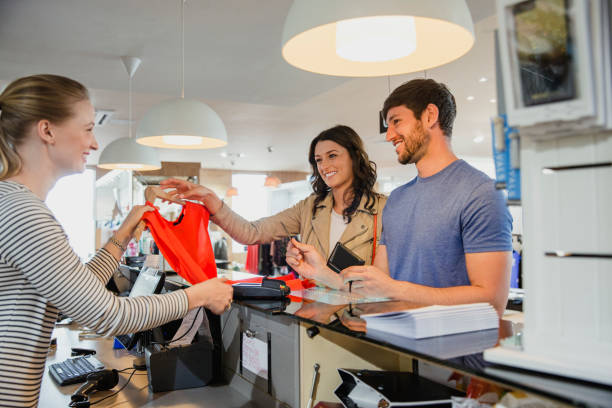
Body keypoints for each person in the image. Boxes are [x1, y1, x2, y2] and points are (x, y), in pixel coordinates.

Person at [0, 74, 233, 407]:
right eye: (88, 128)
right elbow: (108, 315)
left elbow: (80, 290)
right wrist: (199, 294)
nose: (94, 144)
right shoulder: (24, 213)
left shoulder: (13, 203)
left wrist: (122, 235)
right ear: (47, 130)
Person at [287, 79, 513, 316]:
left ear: (429, 116)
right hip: (398, 347)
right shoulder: (398, 199)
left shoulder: (482, 193)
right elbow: (375, 287)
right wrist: (319, 272)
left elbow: (492, 302)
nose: (389, 135)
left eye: (396, 121)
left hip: (452, 351)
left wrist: (396, 289)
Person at [160, 125, 386, 289]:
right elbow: (252, 232)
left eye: (332, 156)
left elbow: (385, 282)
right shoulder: (309, 208)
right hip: (313, 318)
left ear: (355, 157)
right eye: (318, 160)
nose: (325, 166)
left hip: (360, 322)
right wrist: (212, 200)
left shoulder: (384, 209)